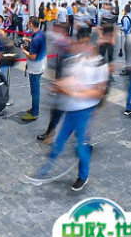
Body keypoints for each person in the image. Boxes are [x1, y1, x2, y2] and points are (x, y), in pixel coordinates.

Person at [33, 28, 107, 191]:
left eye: (85, 43)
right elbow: (73, 79)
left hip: (84, 111)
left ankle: (83, 176)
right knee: (59, 142)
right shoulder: (78, 59)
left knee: (81, 146)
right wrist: (60, 85)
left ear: (93, 45)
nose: (81, 46)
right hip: (71, 110)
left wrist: (71, 92)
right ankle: (44, 170)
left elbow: (98, 93)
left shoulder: (100, 65)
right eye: (81, 43)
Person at [21, 16, 47, 121]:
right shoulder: (40, 34)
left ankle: (35, 113)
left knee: (35, 91)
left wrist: (23, 51)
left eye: (28, 22)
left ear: (31, 24)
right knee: (34, 90)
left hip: (35, 68)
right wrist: (28, 40)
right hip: (41, 65)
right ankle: (34, 108)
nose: (27, 24)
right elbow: (38, 44)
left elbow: (32, 56)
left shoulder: (35, 39)